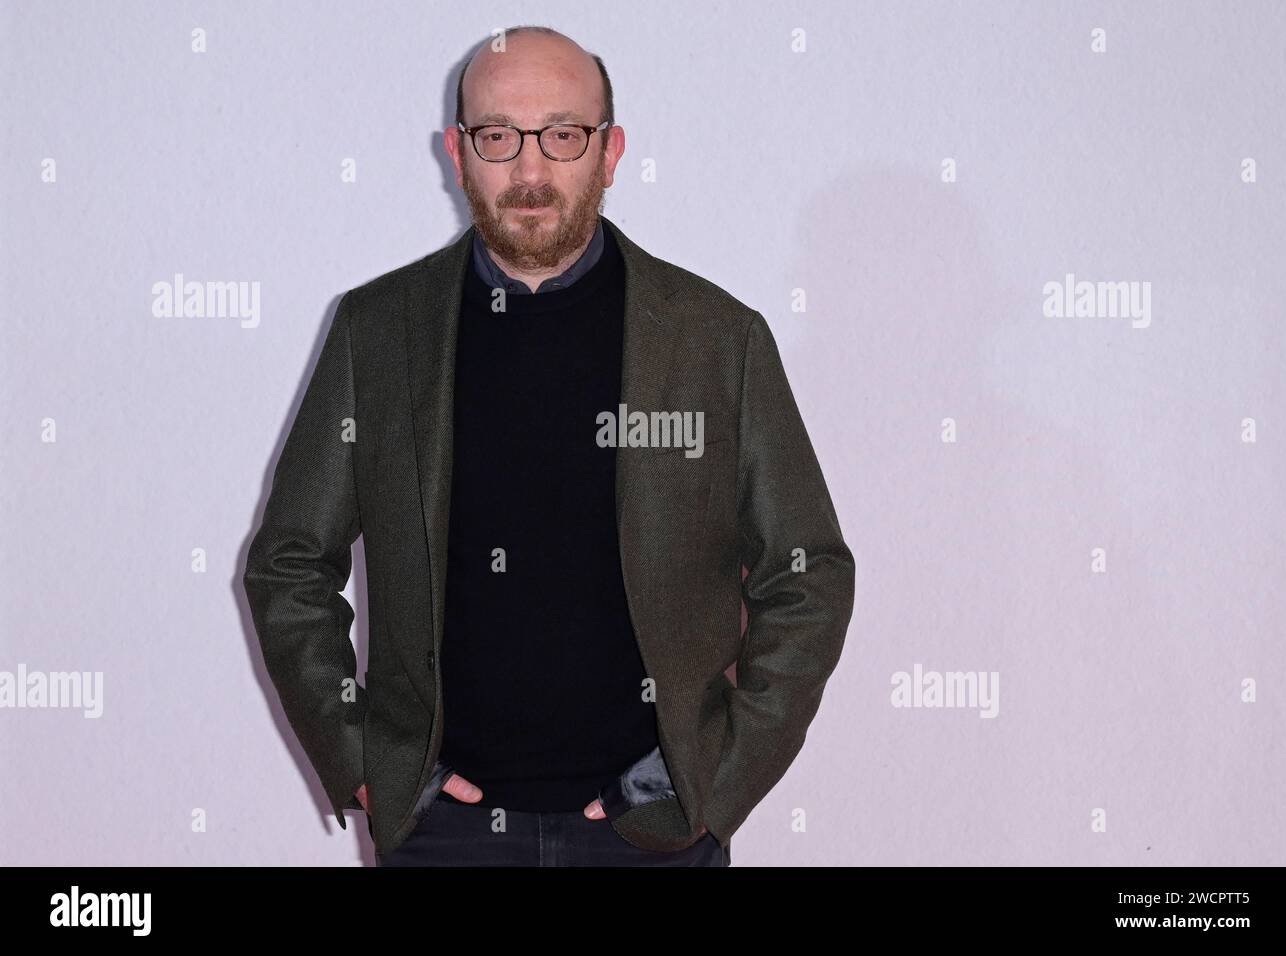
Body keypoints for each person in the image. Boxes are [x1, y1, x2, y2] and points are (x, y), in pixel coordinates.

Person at [242, 25, 855, 867]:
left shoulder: (717, 341)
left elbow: (808, 571)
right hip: (447, 839)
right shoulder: (377, 333)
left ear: (611, 152)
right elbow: (290, 562)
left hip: (655, 837)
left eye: (564, 135)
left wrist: (717, 775)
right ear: (458, 154)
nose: (531, 171)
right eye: (499, 137)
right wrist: (361, 760)